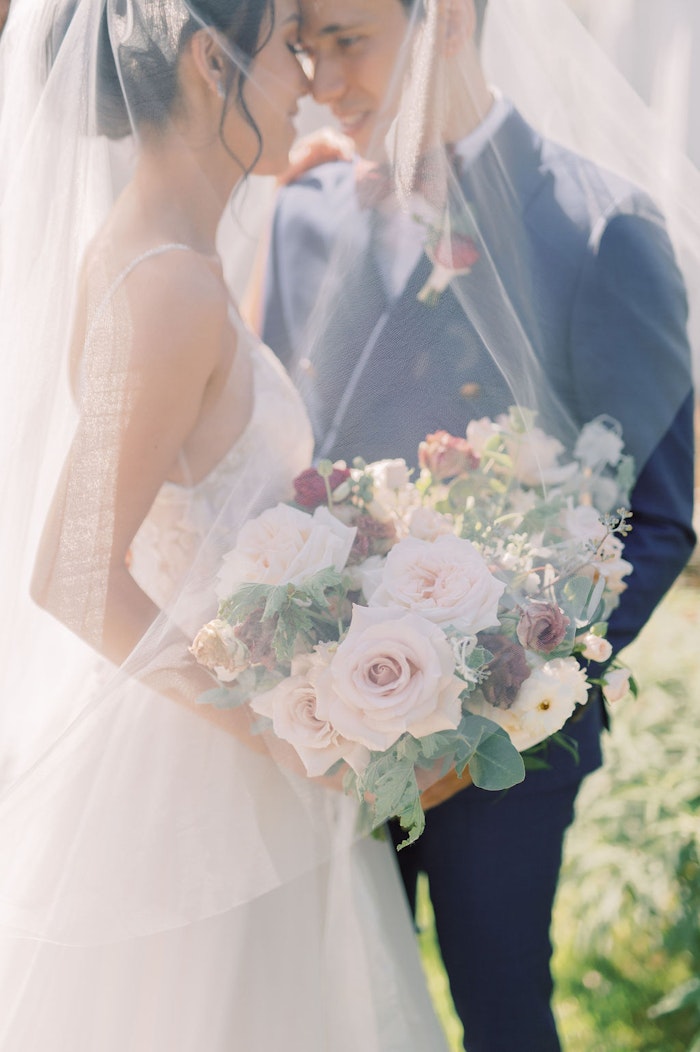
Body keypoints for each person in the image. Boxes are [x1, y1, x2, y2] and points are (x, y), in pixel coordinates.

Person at [0, 1, 449, 1048]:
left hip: (228, 747)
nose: (307, 80)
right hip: (186, 786)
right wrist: (294, 740)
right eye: (286, 48)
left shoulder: (179, 259)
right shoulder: (163, 285)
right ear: (212, 61)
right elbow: (72, 570)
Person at [261, 0, 696, 1049]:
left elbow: (658, 517)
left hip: (505, 751)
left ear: (447, 18)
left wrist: (483, 712)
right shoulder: (302, 209)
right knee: (321, 1009)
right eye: (304, 47)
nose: (322, 80)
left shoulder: (604, 227)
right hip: (315, 732)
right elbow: (277, 459)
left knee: (499, 1011)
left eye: (348, 41)